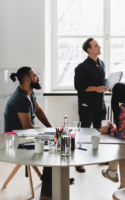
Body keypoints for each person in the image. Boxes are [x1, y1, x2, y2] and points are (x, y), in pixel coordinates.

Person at [4, 67, 74, 198]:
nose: (38, 77)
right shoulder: (21, 98)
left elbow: (39, 111)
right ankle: (48, 191)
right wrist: (49, 135)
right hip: (16, 141)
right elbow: (27, 127)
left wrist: (51, 129)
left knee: (55, 140)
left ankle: (53, 181)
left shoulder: (29, 93)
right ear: (27, 79)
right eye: (35, 75)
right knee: (52, 147)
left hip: (24, 136)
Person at [74, 38, 108, 172]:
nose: (99, 46)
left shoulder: (102, 64)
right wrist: (95, 88)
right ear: (89, 50)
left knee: (100, 133)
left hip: (100, 105)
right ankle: (79, 162)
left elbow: (102, 82)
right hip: (87, 106)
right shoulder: (81, 67)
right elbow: (78, 87)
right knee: (84, 134)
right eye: (96, 45)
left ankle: (99, 158)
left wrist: (107, 87)